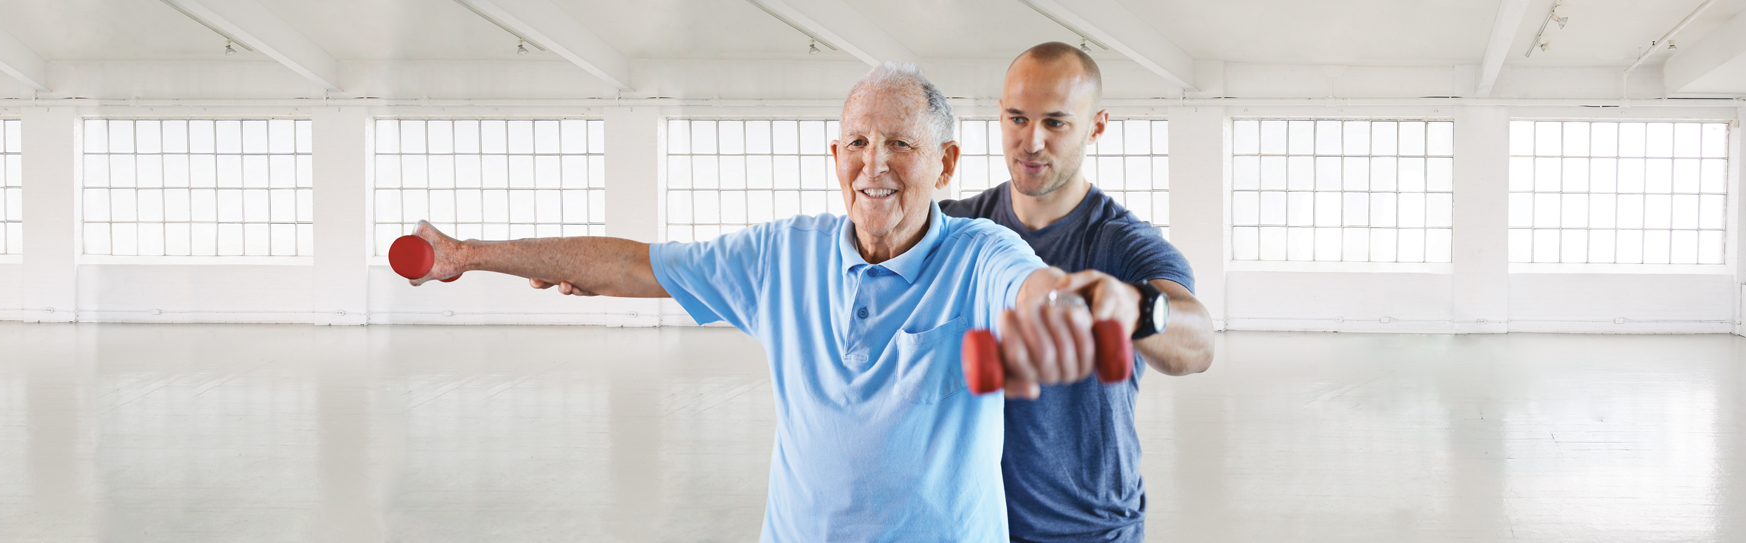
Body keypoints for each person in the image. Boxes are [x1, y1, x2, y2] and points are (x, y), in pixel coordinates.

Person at [407, 63, 1141, 542]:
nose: (874, 165)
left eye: (900, 144)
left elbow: (1033, 287)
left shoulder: (980, 252)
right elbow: (632, 263)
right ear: (835, 157)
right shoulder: (781, 255)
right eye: (856, 142)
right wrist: (467, 256)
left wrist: (1073, 301)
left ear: (946, 162)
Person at [940, 42, 1217, 543]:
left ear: (1097, 126)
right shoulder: (956, 227)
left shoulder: (1120, 240)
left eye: (1055, 123)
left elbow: (1198, 344)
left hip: (1088, 528)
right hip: (969, 522)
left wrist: (1135, 308)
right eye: (1017, 119)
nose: (1031, 142)